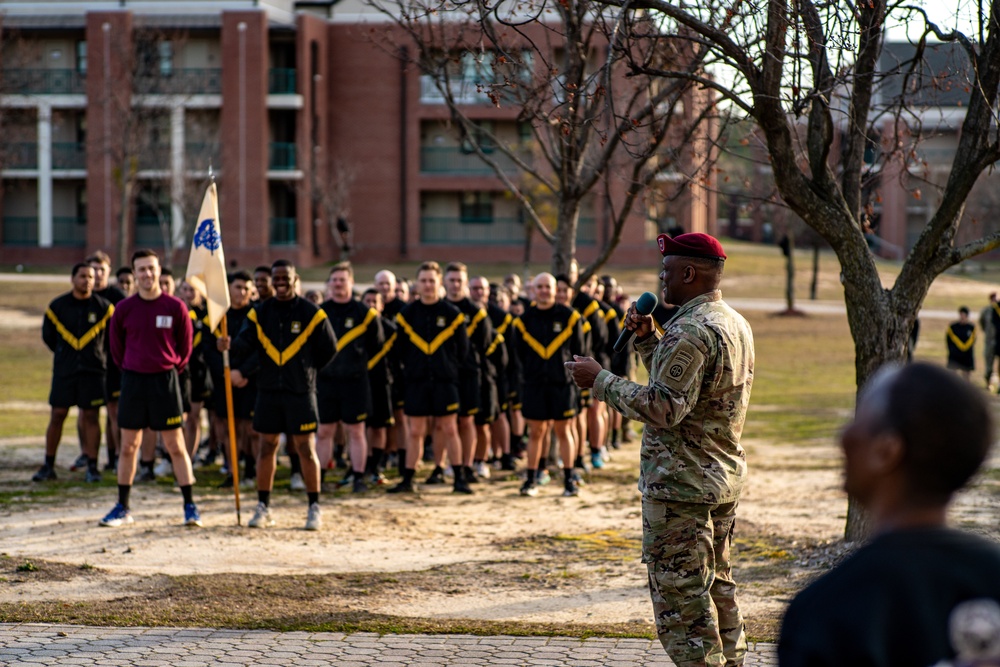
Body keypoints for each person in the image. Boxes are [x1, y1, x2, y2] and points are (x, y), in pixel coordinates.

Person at [567, 233, 754, 667]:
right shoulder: (731, 321)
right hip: (716, 480)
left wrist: (599, 380)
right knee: (716, 587)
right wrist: (651, 340)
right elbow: (690, 390)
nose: (661, 279)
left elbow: (664, 407)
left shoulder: (691, 330)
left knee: (684, 602)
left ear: (689, 273)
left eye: (666, 271)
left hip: (680, 489)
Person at [778, 362, 1000, 667]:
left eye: (859, 421)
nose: (844, 437)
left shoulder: (828, 611)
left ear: (887, 452)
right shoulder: (991, 577)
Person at [224, 259, 337, 530]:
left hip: (301, 392)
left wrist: (307, 370)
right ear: (272, 281)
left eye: (286, 277)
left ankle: (314, 507)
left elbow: (330, 348)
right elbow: (243, 344)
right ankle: (263, 506)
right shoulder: (260, 312)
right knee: (267, 447)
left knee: (305, 449)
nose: (281, 282)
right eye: (276, 277)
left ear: (295, 278)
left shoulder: (313, 313)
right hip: (269, 392)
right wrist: (226, 344)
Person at [100, 249, 200, 528]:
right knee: (129, 446)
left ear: (159, 270)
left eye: (151, 268)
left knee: (175, 446)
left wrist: (168, 366)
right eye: (141, 269)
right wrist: (134, 366)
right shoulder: (123, 309)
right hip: (133, 381)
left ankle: (190, 506)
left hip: (164, 382)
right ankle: (123, 507)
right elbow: (116, 350)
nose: (147, 274)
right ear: (134, 274)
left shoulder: (175, 307)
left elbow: (185, 347)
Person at [387, 261, 470, 494]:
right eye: (423, 280)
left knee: (450, 429)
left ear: (439, 282)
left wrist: (449, 369)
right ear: (417, 284)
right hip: (417, 382)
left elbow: (462, 351)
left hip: (445, 382)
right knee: (415, 431)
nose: (427, 285)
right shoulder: (406, 314)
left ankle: (459, 478)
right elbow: (398, 351)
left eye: (431, 280)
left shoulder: (452, 314)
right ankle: (408, 479)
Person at [35, 263, 114, 484]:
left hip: (93, 372)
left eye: (90, 277)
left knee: (91, 416)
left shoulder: (104, 308)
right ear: (72, 279)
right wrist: (64, 354)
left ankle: (92, 466)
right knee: (58, 414)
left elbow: (111, 340)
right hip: (65, 371)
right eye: (82, 276)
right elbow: (49, 337)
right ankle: (48, 465)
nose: (88, 280)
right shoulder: (57, 307)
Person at [513, 273, 586, 497]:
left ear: (556, 290)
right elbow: (518, 356)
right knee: (536, 432)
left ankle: (569, 479)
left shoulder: (571, 317)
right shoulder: (522, 321)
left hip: (562, 384)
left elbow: (579, 352)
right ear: (532, 290)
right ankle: (532, 479)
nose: (544, 290)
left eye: (548, 286)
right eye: (539, 287)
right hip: (534, 385)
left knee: (564, 431)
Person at [316, 262, 384, 493]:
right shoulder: (320, 312)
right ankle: (319, 478)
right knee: (324, 431)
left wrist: (357, 367)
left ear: (351, 282)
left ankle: (358, 478)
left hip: (355, 382)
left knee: (356, 431)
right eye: (333, 280)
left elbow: (377, 347)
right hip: (326, 381)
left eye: (342, 280)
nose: (337, 284)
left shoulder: (365, 314)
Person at [206, 271, 258, 488]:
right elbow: (208, 349)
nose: (243, 292)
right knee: (229, 428)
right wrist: (227, 373)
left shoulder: (256, 315)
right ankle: (233, 471)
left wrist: (243, 373)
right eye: (238, 287)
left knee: (251, 429)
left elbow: (260, 349)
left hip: (249, 380)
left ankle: (252, 470)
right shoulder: (218, 315)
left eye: (247, 288)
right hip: (224, 380)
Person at [88, 251, 128, 473]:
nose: (97, 274)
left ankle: (119, 457)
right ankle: (89, 456)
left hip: (113, 363)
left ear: (108, 271)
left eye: (101, 269)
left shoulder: (117, 296)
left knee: (115, 412)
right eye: (93, 269)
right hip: (90, 365)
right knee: (89, 412)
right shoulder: (82, 297)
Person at [946, 307, 976, 380]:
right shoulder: (953, 327)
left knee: (966, 374)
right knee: (952, 373)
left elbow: (973, 340)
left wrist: (964, 347)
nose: (962, 317)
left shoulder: (971, 327)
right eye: (961, 315)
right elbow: (948, 340)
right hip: (955, 353)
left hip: (967, 354)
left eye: (964, 315)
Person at [980, 293, 999, 389]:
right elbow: (982, 323)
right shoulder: (986, 311)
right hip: (990, 342)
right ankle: (988, 383)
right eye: (993, 299)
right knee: (989, 365)